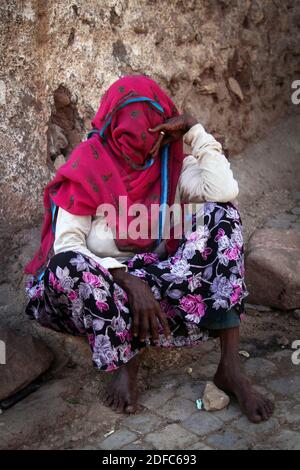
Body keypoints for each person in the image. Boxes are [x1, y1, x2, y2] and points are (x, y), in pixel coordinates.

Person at [25, 75, 274, 422]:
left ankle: (231, 367)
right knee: (67, 267)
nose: (137, 156)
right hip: (104, 288)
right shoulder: (89, 165)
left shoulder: (170, 166)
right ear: (111, 129)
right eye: (127, 143)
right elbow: (66, 246)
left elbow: (224, 188)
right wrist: (125, 278)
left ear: (163, 132)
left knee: (223, 215)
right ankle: (126, 365)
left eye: (148, 141)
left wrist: (194, 130)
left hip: (161, 287)